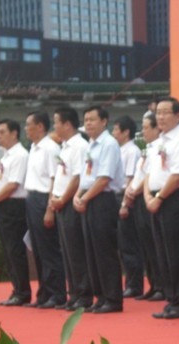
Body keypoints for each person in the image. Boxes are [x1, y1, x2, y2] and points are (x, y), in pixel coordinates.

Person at [145, 97, 179, 319]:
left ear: (178, 116)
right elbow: (149, 173)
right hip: (157, 198)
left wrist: (159, 197)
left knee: (178, 252)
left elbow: (178, 174)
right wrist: (149, 196)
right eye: (158, 112)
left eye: (165, 112)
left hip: (175, 198)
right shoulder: (159, 141)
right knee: (163, 252)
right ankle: (172, 298)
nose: (160, 117)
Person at [73, 105, 124, 314]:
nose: (88, 123)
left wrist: (84, 198)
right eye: (85, 120)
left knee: (105, 250)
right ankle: (100, 296)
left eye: (92, 119)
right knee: (91, 250)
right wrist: (77, 195)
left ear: (104, 121)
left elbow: (104, 178)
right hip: (88, 197)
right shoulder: (90, 145)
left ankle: (113, 298)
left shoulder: (108, 144)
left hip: (103, 199)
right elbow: (85, 176)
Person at [49, 106, 92, 311]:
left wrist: (63, 199)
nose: (54, 126)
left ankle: (84, 294)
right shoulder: (65, 146)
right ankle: (74, 293)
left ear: (67, 124)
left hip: (70, 202)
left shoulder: (79, 146)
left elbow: (77, 178)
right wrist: (54, 198)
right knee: (67, 252)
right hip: (60, 202)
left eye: (56, 122)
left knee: (76, 250)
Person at [0, 119, 31, 306]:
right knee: (7, 249)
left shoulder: (20, 155)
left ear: (14, 133)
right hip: (1, 204)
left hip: (13, 205)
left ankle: (23, 292)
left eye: (2, 132)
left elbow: (13, 184)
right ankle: (16, 289)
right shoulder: (6, 156)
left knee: (15, 249)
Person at [23, 111, 67, 309]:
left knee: (49, 249)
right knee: (38, 250)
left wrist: (49, 208)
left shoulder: (50, 148)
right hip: (32, 198)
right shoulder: (34, 148)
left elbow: (54, 178)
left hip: (43, 199)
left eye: (29, 124)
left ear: (40, 126)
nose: (26, 129)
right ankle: (44, 293)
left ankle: (57, 293)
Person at [124, 112, 164, 301]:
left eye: (147, 127)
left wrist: (137, 190)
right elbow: (139, 174)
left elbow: (149, 175)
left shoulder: (159, 147)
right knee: (146, 244)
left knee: (155, 244)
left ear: (157, 129)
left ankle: (162, 285)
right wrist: (130, 190)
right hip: (139, 197)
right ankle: (154, 284)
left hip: (148, 195)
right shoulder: (146, 149)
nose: (143, 131)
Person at [113, 115, 143, 299]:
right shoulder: (119, 150)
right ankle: (129, 282)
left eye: (116, 129)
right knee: (122, 244)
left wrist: (125, 203)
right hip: (117, 196)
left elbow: (131, 179)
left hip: (126, 197)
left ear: (126, 132)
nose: (114, 133)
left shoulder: (132, 151)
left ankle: (135, 284)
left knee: (129, 243)